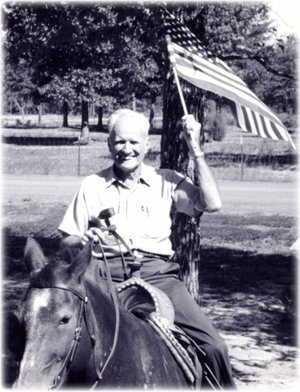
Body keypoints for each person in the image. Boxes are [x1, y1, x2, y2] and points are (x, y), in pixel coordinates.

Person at [58, 108, 236, 389]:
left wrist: (196, 150)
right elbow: (65, 240)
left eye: (133, 142)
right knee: (66, 343)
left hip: (158, 277)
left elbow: (212, 203)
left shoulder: (166, 181)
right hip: (103, 278)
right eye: (119, 142)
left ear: (146, 145)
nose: (126, 149)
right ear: (108, 144)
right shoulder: (91, 186)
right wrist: (81, 240)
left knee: (214, 347)